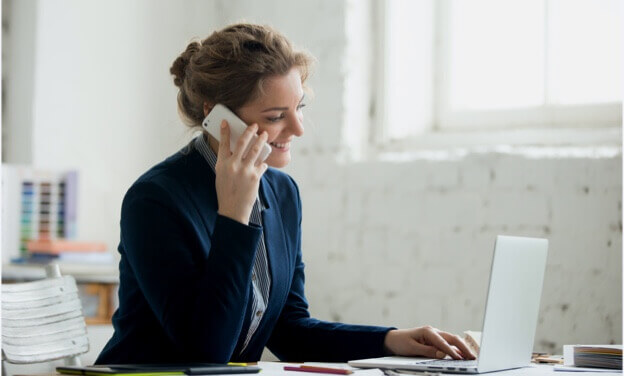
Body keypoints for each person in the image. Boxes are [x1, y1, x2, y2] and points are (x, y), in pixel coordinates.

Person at [96, 23, 475, 364]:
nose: (297, 128)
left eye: (299, 108)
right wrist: (234, 215)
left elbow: (290, 329)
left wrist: (390, 341)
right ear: (217, 116)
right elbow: (206, 352)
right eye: (276, 116)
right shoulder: (155, 201)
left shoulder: (282, 192)